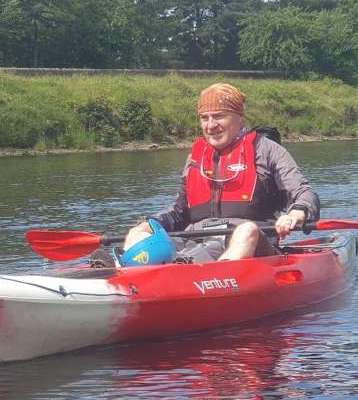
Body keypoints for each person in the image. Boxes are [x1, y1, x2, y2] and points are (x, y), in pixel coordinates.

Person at [122, 83, 319, 264]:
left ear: (240, 118)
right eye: (204, 118)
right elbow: (179, 211)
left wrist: (295, 214)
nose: (210, 125)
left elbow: (304, 193)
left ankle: (214, 279)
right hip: (194, 240)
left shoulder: (268, 150)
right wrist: (150, 224)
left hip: (249, 242)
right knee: (139, 233)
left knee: (247, 230)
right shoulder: (195, 158)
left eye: (219, 116)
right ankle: (125, 276)